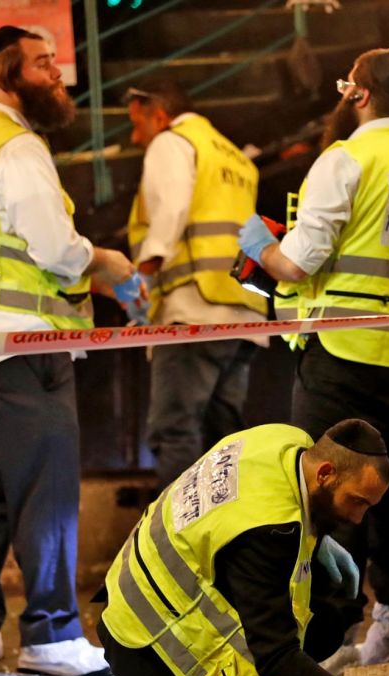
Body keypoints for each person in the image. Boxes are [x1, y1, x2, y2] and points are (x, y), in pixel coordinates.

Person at [0, 26, 141, 676]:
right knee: (46, 492)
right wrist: (105, 261)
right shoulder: (17, 148)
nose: (58, 75)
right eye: (43, 64)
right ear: (3, 74)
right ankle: (51, 634)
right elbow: (52, 248)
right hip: (21, 343)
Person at [237, 47, 389, 667]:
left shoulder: (346, 159)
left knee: (326, 487)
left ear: (359, 94)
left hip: (341, 347)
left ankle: (325, 635)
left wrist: (260, 246)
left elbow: (300, 263)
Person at [99, 418, 389, 676]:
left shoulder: (287, 442)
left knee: (329, 607)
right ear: (325, 473)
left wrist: (319, 541)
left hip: (132, 599)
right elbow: (276, 656)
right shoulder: (269, 531)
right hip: (145, 642)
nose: (359, 519)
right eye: (357, 501)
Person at [125, 79, 268, 489]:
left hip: (194, 309)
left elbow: (171, 210)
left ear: (160, 115)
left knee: (175, 430)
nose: (136, 138)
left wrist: (142, 279)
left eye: (138, 125)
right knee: (222, 441)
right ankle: (223, 541)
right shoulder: (236, 158)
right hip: (244, 314)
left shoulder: (172, 143)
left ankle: (176, 543)